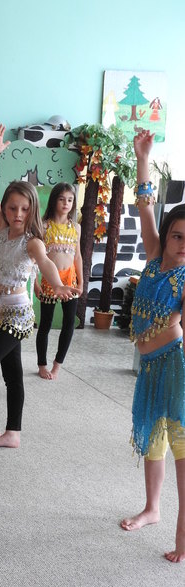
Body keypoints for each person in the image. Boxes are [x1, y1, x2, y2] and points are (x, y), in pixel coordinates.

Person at [0, 125, 76, 458]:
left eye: (24, 209)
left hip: (18, 315)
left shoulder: (32, 242)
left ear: (32, 210)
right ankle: (13, 433)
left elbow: (46, 263)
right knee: (12, 374)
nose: (17, 214)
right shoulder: (3, 231)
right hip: (1, 313)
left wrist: (58, 284)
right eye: (12, 208)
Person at [120, 129, 185, 563]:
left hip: (177, 370)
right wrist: (143, 158)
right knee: (153, 441)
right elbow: (145, 203)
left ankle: (183, 538)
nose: (183, 245)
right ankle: (152, 508)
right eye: (178, 235)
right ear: (167, 234)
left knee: (181, 451)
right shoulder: (154, 255)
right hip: (150, 369)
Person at [34, 183, 83, 379]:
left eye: (70, 200)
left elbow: (78, 256)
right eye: (62, 199)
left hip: (70, 280)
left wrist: (81, 282)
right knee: (45, 324)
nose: (66, 203)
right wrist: (36, 283)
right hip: (49, 281)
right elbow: (35, 258)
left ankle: (57, 364)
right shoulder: (43, 226)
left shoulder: (76, 228)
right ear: (54, 200)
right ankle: (41, 364)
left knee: (69, 323)